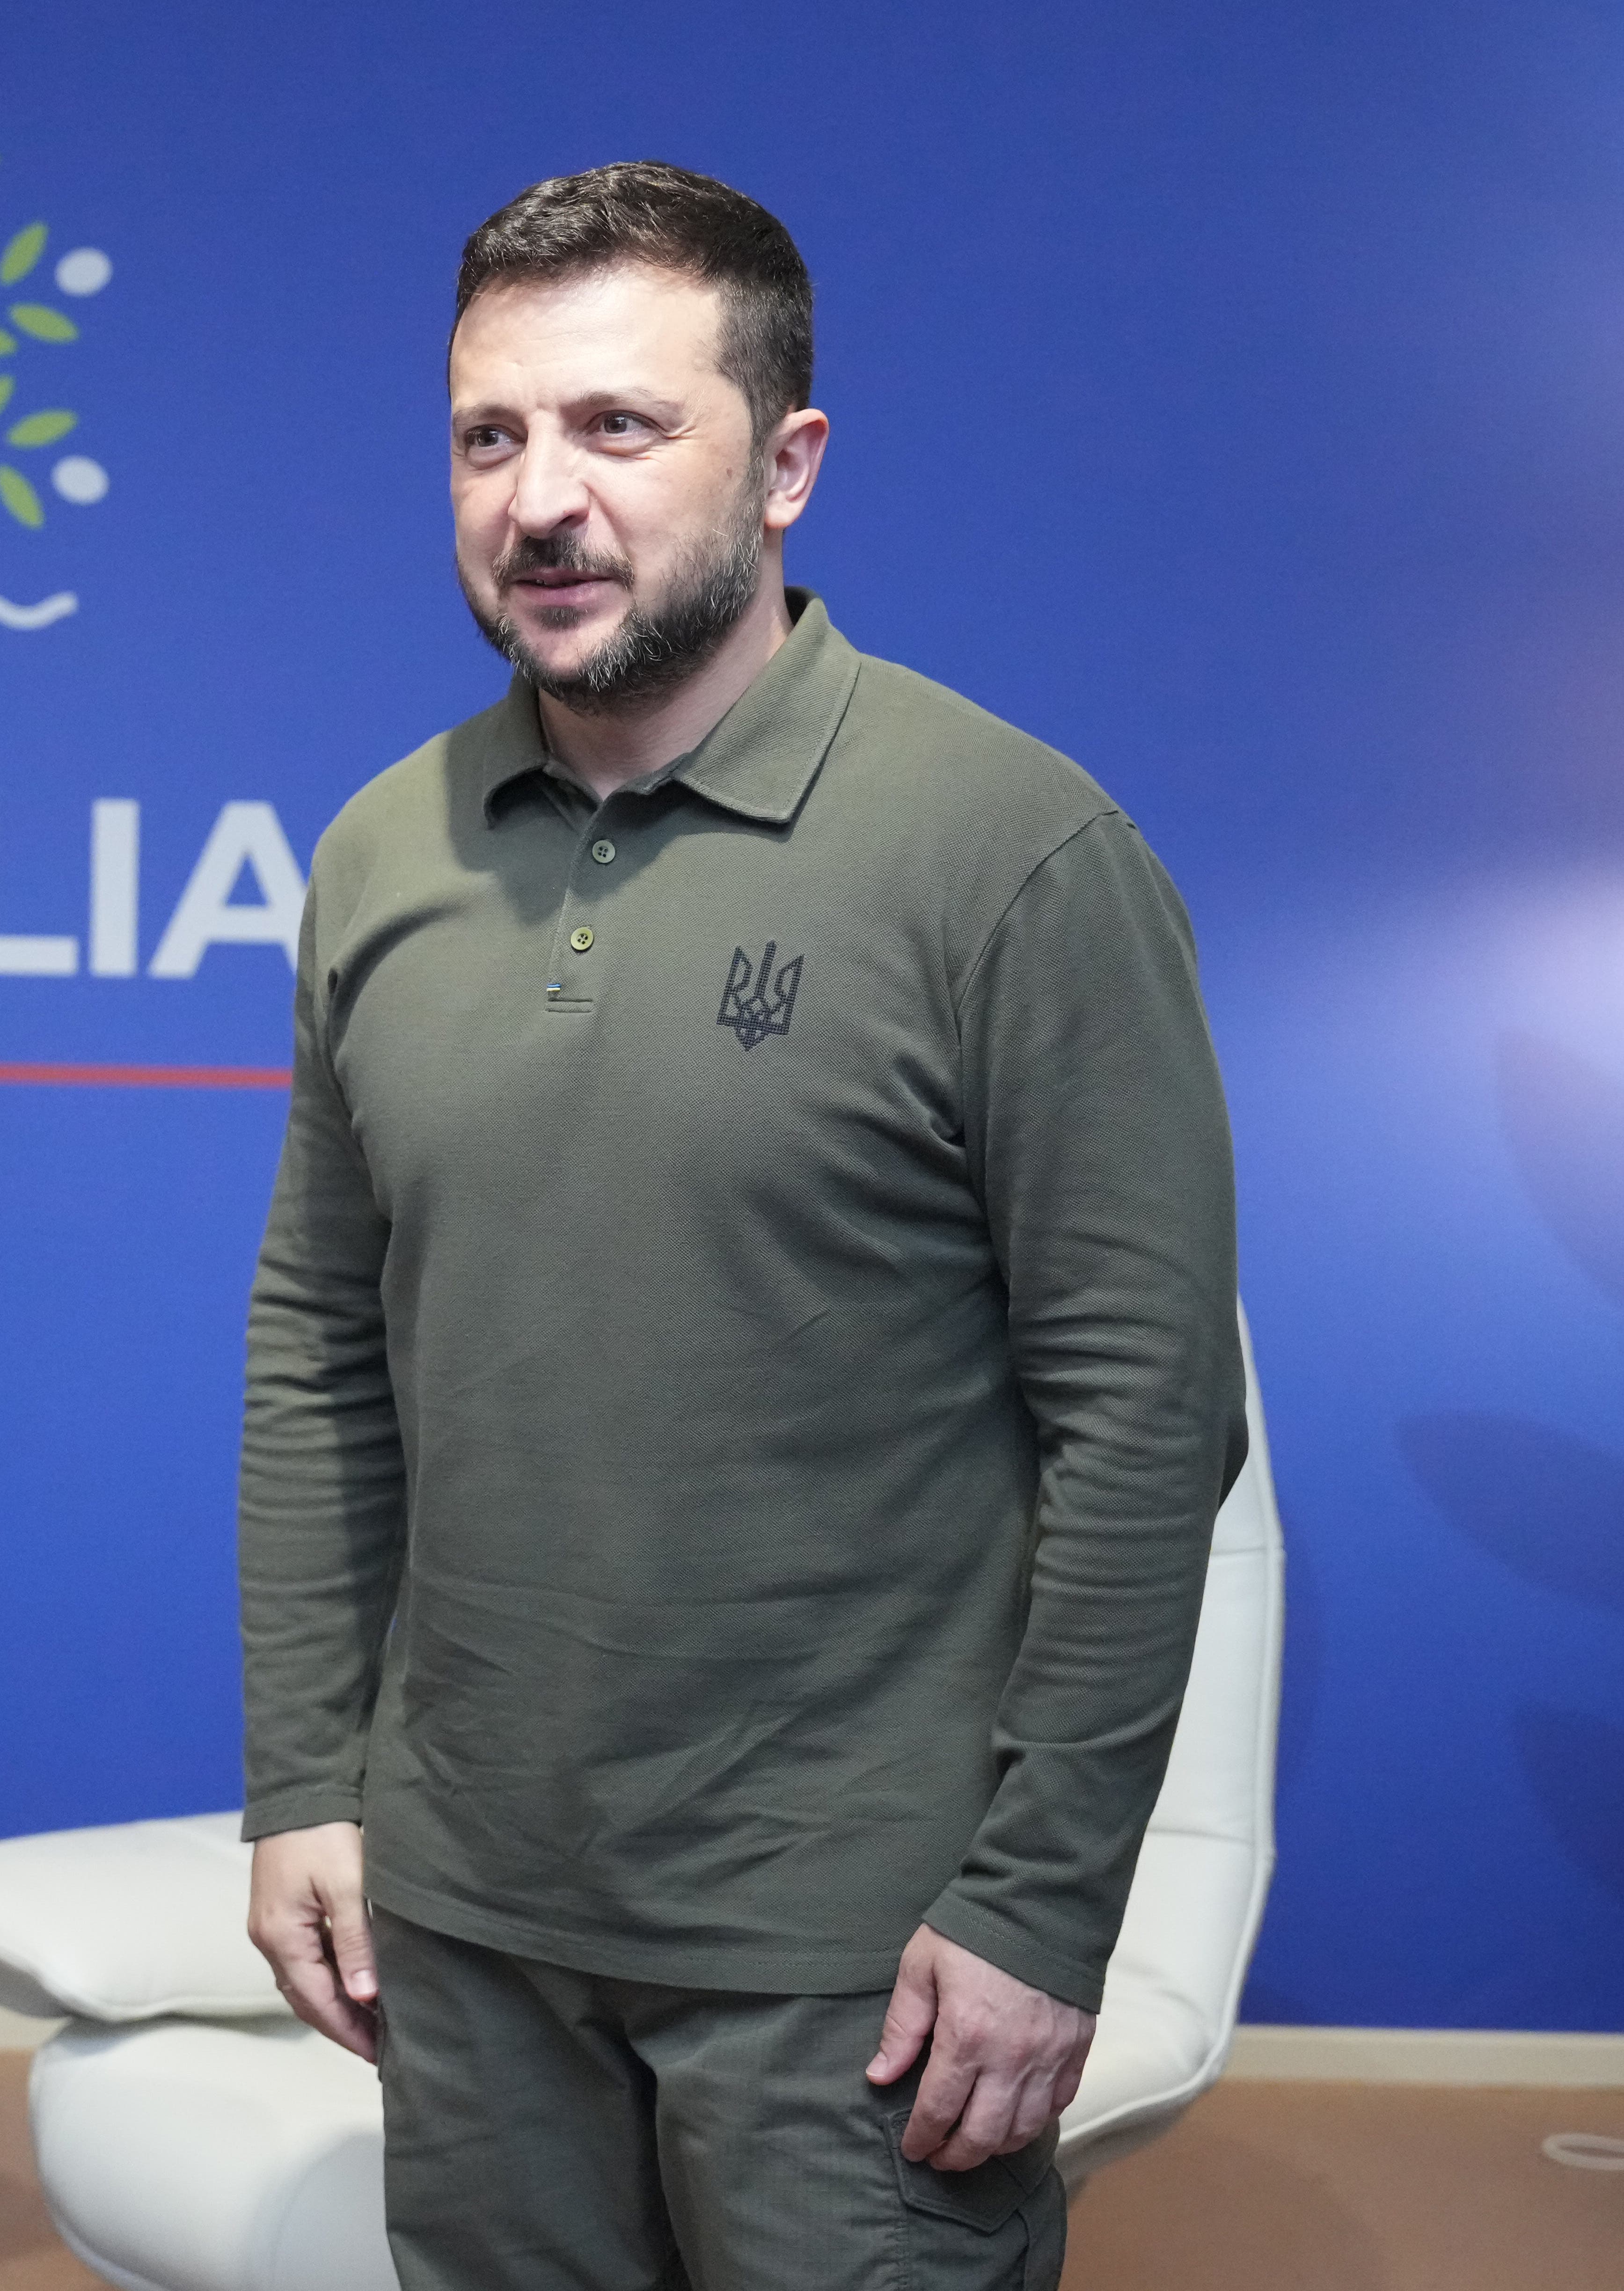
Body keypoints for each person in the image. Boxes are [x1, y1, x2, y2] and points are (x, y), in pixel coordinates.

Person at [236, 161, 1244, 2289]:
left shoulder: (1015, 855)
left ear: (786, 465)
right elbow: (321, 1353)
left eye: (621, 427)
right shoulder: (377, 856)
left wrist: (1042, 1906)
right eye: (490, 435)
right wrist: (306, 1786)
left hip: (855, 1969)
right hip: (472, 1926)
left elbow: (1148, 1424)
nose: (540, 499)